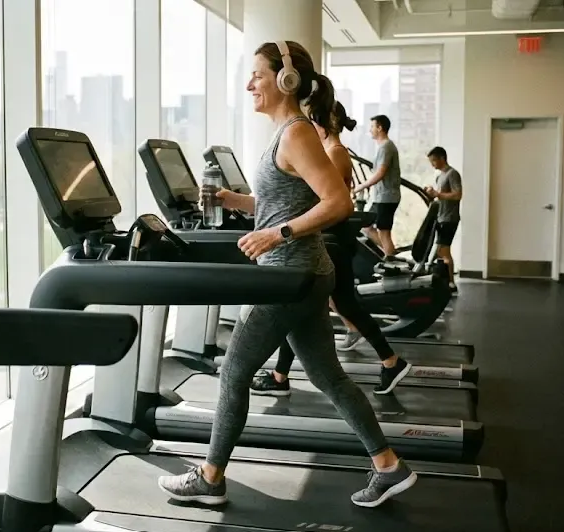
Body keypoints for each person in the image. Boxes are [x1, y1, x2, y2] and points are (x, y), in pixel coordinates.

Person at [157, 40, 416, 509]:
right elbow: (289, 200)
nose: (249, 84)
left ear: (286, 79)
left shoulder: (296, 133)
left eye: (257, 74)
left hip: (288, 277)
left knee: (234, 372)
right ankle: (388, 465)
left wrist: (277, 234)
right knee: (328, 376)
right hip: (307, 274)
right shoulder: (287, 134)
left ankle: (210, 478)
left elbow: (338, 202)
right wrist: (237, 202)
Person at [250, 101, 411, 397]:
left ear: (320, 123)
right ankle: (282, 375)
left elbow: (321, 202)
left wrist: (282, 225)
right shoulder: (331, 151)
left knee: (328, 305)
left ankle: (390, 361)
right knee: (321, 306)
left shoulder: (335, 153)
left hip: (332, 240)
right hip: (330, 239)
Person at [354, 114, 401, 258]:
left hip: (386, 197)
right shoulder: (383, 147)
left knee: (384, 233)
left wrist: (361, 186)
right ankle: (388, 254)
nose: (370, 130)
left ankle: (391, 258)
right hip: (381, 197)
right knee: (367, 227)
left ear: (380, 128)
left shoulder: (386, 147)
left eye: (372, 127)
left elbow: (380, 173)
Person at [424, 146, 462, 294]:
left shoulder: (452, 174)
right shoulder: (440, 177)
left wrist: (438, 194)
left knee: (444, 251)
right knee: (440, 251)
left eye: (434, 160)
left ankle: (451, 283)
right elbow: (439, 196)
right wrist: (432, 194)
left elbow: (457, 195)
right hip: (441, 217)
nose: (432, 164)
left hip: (449, 218)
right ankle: (445, 281)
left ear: (442, 158)